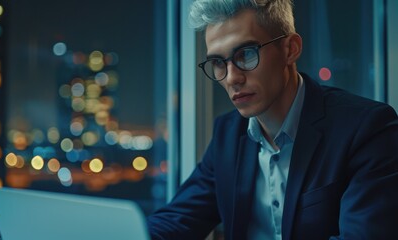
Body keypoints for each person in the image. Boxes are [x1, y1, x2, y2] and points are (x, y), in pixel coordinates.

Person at [147, 0, 398, 239]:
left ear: (290, 49)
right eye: (217, 62)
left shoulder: (367, 128)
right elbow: (177, 219)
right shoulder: (228, 133)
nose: (232, 78)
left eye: (246, 54)